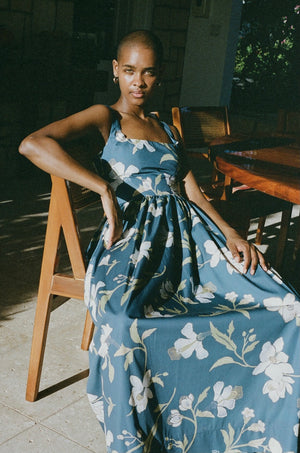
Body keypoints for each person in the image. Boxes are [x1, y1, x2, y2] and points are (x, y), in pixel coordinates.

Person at [19, 30, 300, 453]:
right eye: (129, 71)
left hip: (192, 244)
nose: (138, 82)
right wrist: (101, 188)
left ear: (160, 77)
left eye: (148, 73)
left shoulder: (168, 130)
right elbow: (32, 144)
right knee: (125, 323)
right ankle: (143, 439)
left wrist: (231, 233)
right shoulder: (105, 118)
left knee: (284, 304)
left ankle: (249, 431)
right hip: (132, 247)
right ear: (115, 71)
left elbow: (194, 193)